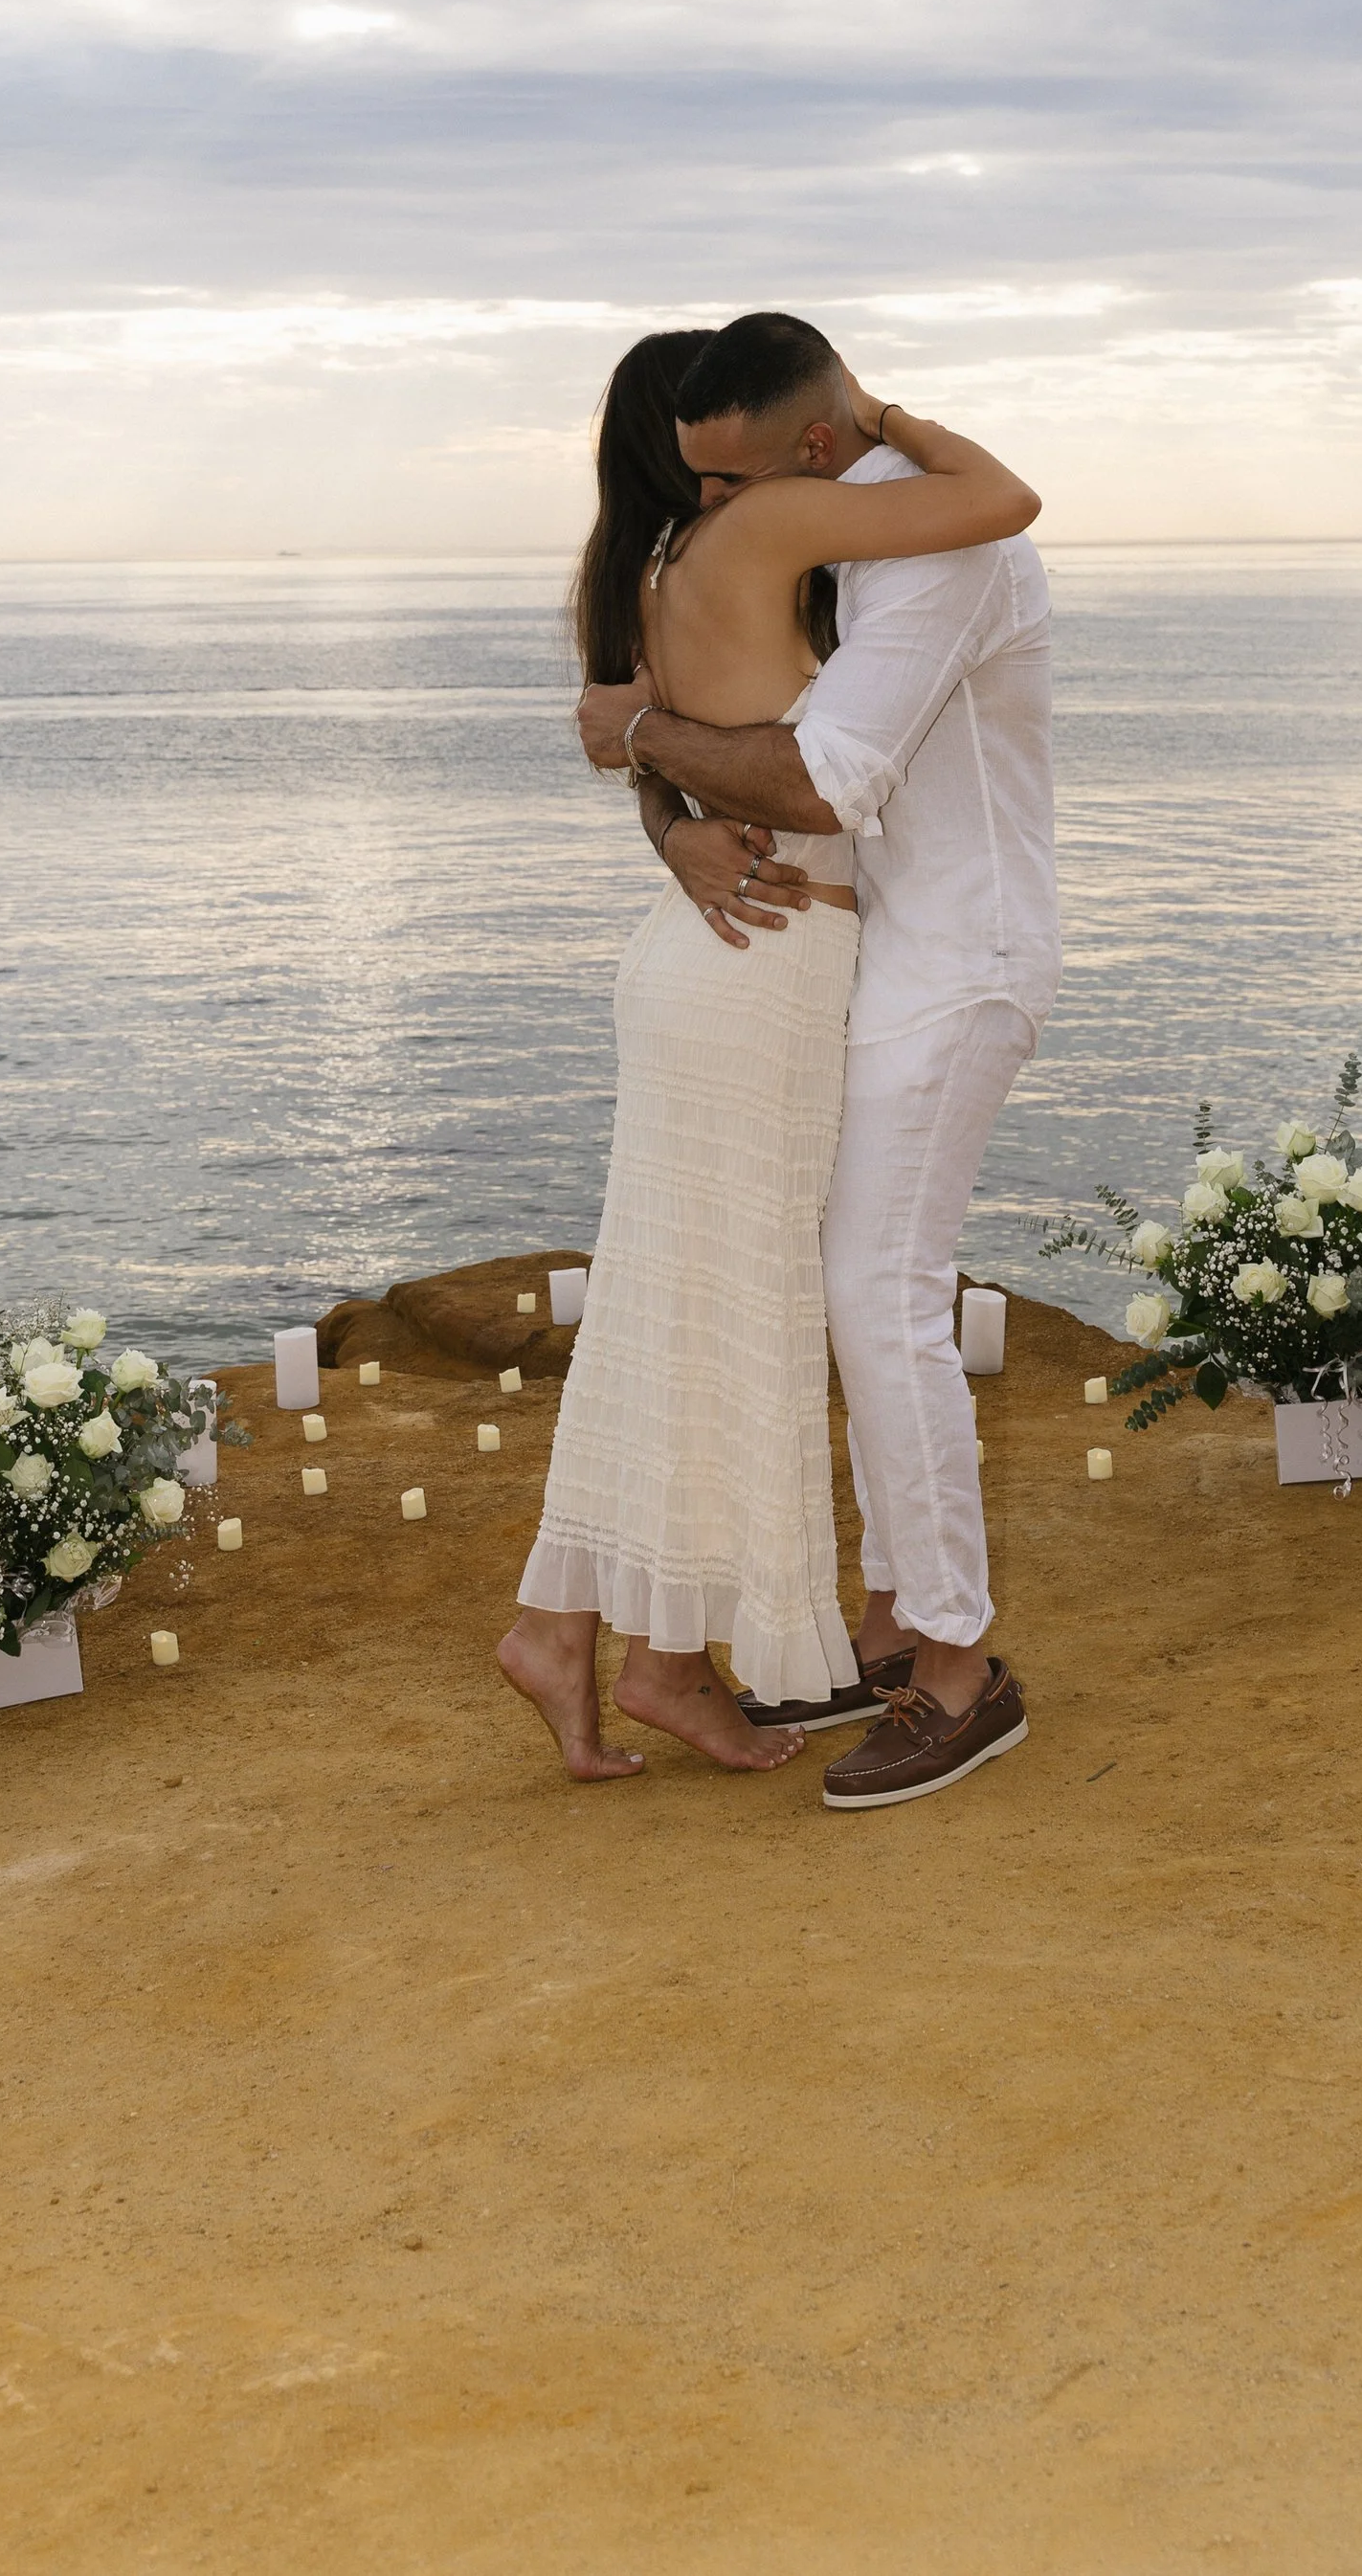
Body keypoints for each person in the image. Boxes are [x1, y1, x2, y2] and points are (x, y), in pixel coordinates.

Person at [498, 325, 1039, 1783]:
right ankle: (858, 1649)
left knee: (749, 1293)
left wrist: (650, 761)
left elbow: (753, 757)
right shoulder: (779, 526)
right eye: (702, 465)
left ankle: (667, 1639)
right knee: (761, 1298)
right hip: (782, 954)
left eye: (729, 461)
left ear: (782, 440)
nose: (718, 486)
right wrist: (667, 803)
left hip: (858, 959)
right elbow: (810, 776)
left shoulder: (678, 557)